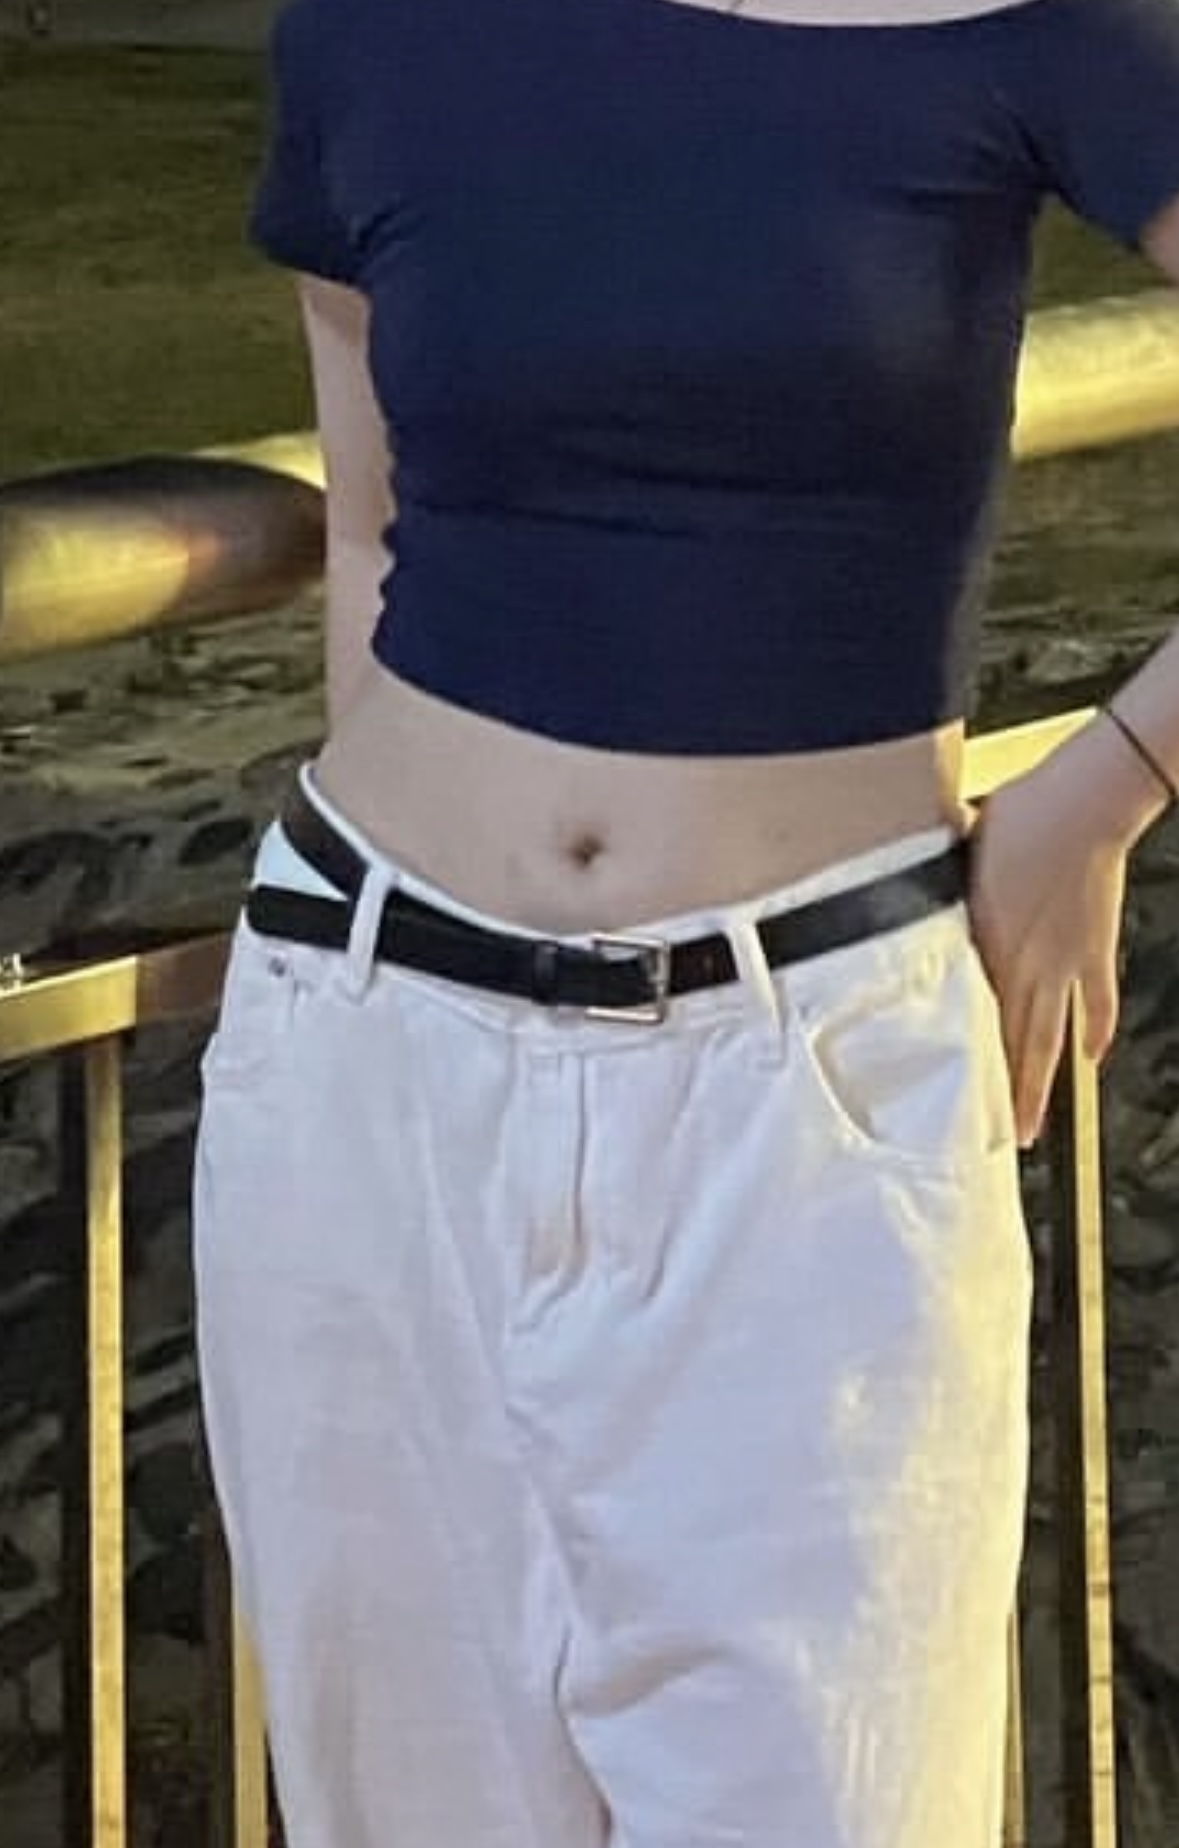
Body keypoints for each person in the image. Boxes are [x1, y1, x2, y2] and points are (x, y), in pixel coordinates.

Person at [193, 0, 1179, 1843]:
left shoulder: (1031, 25)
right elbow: (372, 534)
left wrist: (1102, 790)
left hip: (804, 1091)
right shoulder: (375, 25)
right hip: (367, 1067)